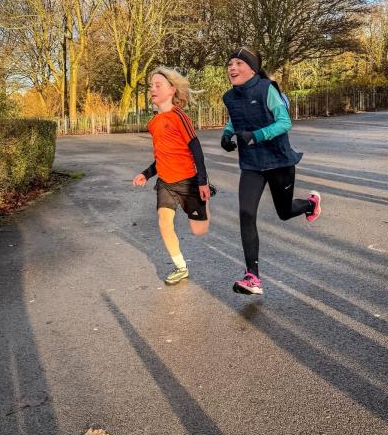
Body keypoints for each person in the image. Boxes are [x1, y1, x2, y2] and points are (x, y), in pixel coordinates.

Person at [221, 46, 321, 296]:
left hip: (278, 161)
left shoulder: (266, 89)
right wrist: (227, 134)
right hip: (252, 164)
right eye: (230, 64)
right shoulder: (229, 97)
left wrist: (257, 135)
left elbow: (284, 122)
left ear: (252, 69)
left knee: (284, 212)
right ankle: (252, 277)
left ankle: (310, 204)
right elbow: (235, 116)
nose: (232, 68)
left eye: (238, 63)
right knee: (246, 213)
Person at [133, 67, 213, 285]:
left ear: (171, 90)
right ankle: (180, 267)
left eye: (158, 85)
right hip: (166, 184)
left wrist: (202, 181)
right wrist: (146, 174)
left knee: (199, 229)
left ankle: (205, 199)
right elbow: (161, 157)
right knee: (164, 222)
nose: (152, 89)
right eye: (151, 86)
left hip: (188, 181)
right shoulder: (153, 123)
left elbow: (196, 150)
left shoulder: (180, 117)